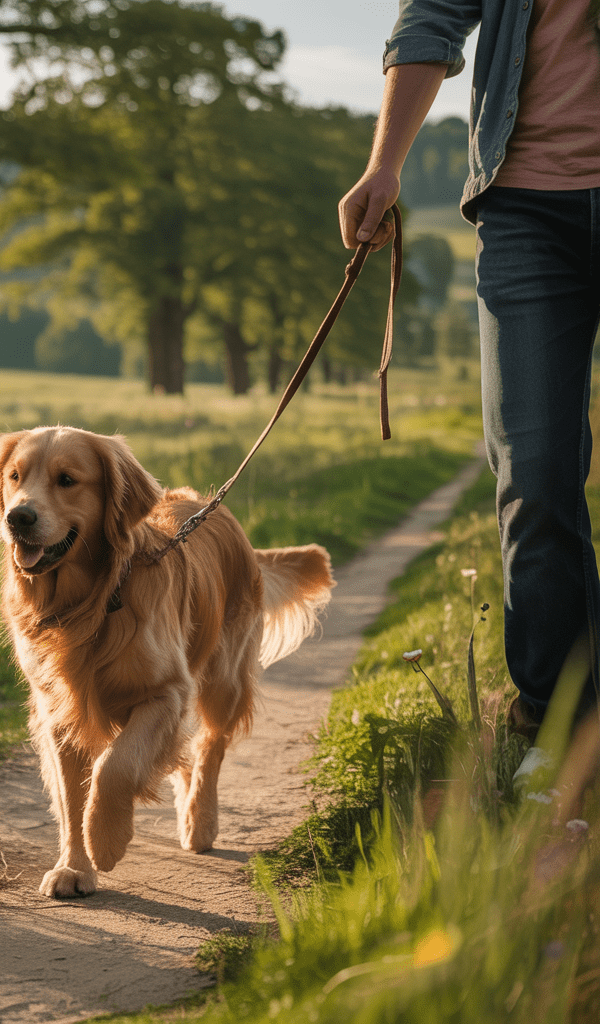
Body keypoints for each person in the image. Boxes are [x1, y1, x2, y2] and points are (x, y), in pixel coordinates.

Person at [339, 1, 600, 747]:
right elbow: (429, 18)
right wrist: (384, 166)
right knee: (534, 474)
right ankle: (555, 736)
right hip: (523, 209)